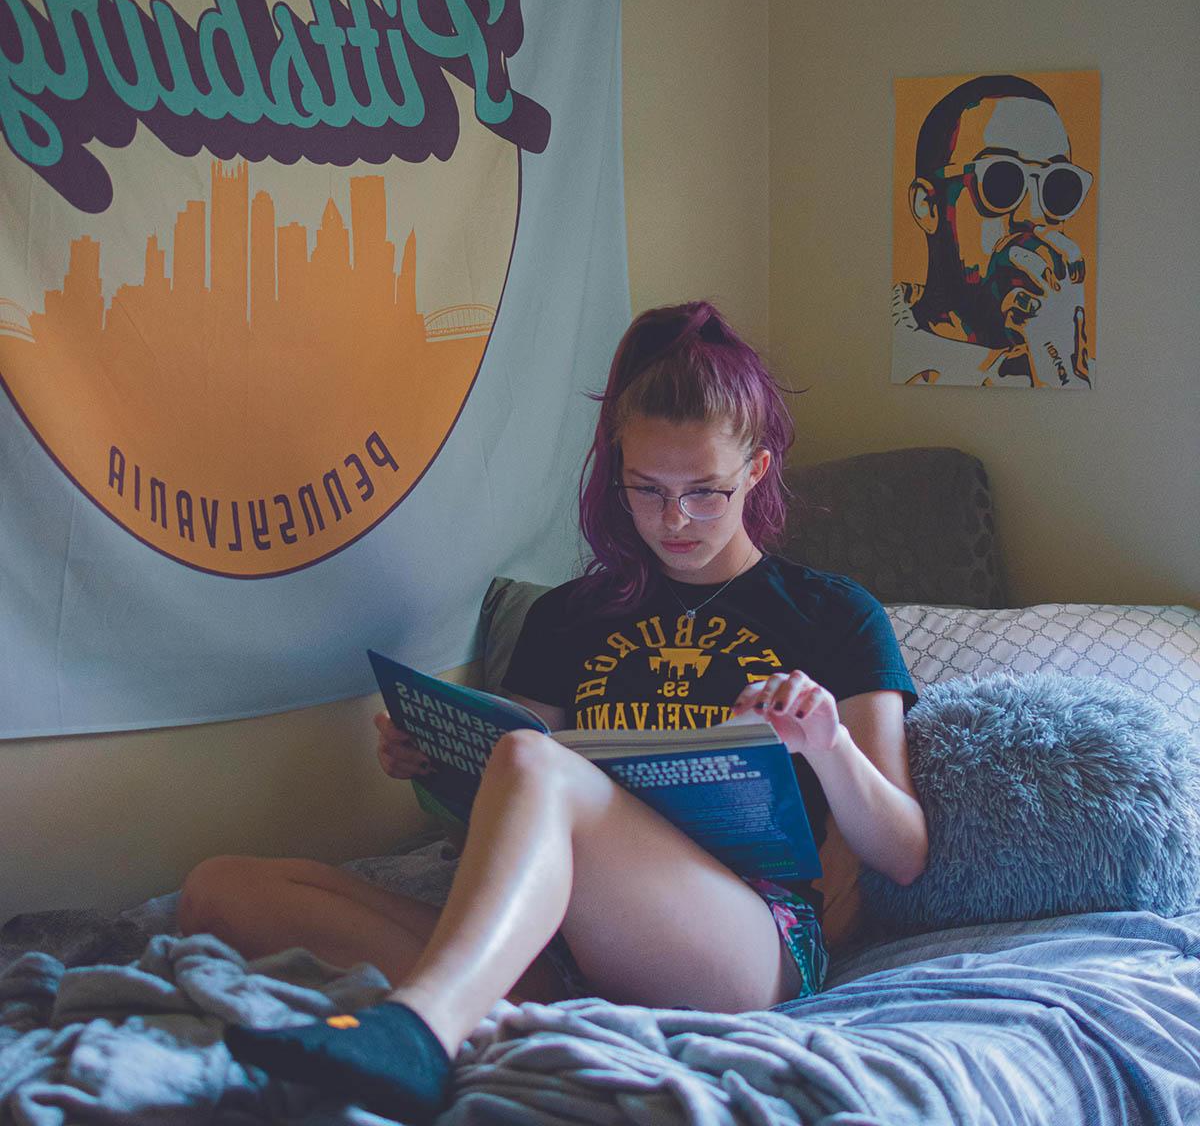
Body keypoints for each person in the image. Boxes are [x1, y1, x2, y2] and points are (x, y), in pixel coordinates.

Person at [180, 301, 928, 1121]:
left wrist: (828, 746)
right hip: (568, 945)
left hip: (745, 943)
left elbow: (902, 852)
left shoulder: (833, 614)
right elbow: (512, 791)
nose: (674, 521)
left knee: (539, 763)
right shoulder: (571, 615)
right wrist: (440, 761)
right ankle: (488, 1010)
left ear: (756, 470)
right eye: (647, 491)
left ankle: (417, 1034)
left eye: (705, 493)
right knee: (221, 890)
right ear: (618, 473)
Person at [892, 73, 1094, 388]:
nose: (1032, 215)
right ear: (929, 206)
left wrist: (1056, 366)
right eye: (1002, 181)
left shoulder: (1079, 374)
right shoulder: (879, 354)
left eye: (1058, 187)